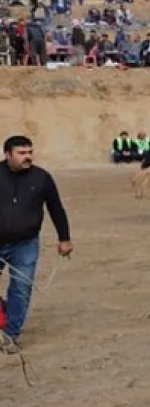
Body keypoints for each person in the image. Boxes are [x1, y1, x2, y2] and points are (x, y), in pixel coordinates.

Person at [0, 135, 73, 353]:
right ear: (7, 154)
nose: (28, 157)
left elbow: (56, 208)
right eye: (22, 153)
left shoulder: (42, 178)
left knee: (21, 289)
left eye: (30, 152)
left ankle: (9, 335)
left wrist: (65, 238)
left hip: (26, 244)